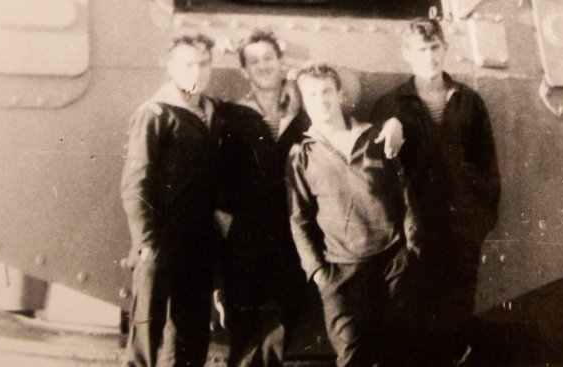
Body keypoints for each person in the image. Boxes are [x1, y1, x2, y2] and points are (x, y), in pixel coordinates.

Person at [120, 34, 266, 367]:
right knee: (146, 329)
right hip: (160, 239)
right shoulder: (156, 114)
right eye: (188, 64)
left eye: (203, 63)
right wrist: (146, 243)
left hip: (199, 241)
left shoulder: (211, 111)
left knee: (190, 331)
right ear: (171, 67)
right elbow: (135, 184)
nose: (196, 71)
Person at [370, 18, 501, 365]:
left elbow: (487, 165)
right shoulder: (392, 104)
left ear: (444, 49)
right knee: (411, 320)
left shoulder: (468, 100)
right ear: (407, 54)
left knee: (455, 322)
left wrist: (479, 223)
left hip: (460, 231)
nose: (429, 57)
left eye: (434, 48)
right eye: (420, 50)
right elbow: (379, 177)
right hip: (414, 233)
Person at [287, 63, 419, 367]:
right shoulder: (301, 154)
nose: (321, 101)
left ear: (339, 94)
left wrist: (411, 250)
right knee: (352, 356)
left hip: (392, 264)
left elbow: (405, 195)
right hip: (341, 272)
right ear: (303, 102)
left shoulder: (374, 137)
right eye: (311, 95)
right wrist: (319, 274)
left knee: (397, 353)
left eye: (326, 92)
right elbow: (298, 220)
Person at [222, 29, 311, 367]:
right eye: (254, 61)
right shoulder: (234, 116)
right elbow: (219, 175)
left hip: (292, 235)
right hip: (246, 237)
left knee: (279, 328)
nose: (263, 66)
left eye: (268, 58)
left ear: (280, 62)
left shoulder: (302, 113)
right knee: (244, 331)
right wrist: (229, 227)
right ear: (244, 70)